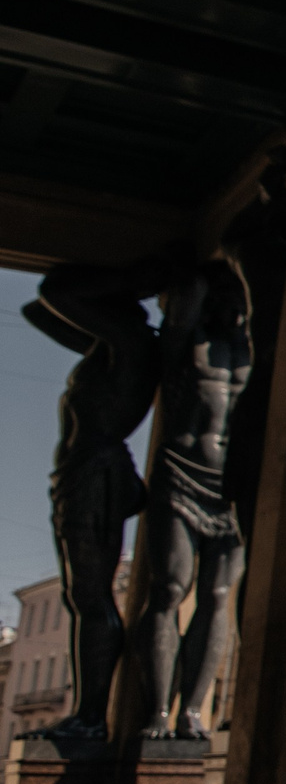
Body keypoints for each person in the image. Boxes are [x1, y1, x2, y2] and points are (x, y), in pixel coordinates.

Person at [23, 259, 162, 739]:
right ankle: (87, 714)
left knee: (91, 595)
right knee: (80, 595)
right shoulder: (106, 348)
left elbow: (54, 292)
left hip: (98, 475)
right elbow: (35, 311)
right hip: (77, 475)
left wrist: (142, 277)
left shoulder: (133, 346)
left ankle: (90, 717)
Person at [133, 255, 254, 738]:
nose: (234, 308)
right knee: (167, 589)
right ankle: (156, 711)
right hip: (182, 475)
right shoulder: (187, 344)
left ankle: (191, 711)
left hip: (233, 486)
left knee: (218, 596)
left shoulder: (255, 351)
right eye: (226, 298)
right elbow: (184, 304)